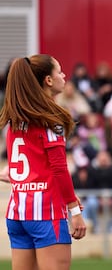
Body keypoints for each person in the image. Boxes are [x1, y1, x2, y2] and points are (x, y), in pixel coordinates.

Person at [0, 55, 87, 270]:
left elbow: (28, 167)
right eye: (59, 71)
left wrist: (68, 196)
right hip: (45, 214)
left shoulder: (15, 119)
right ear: (48, 80)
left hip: (18, 212)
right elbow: (59, 169)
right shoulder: (50, 121)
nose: (64, 75)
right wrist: (74, 211)